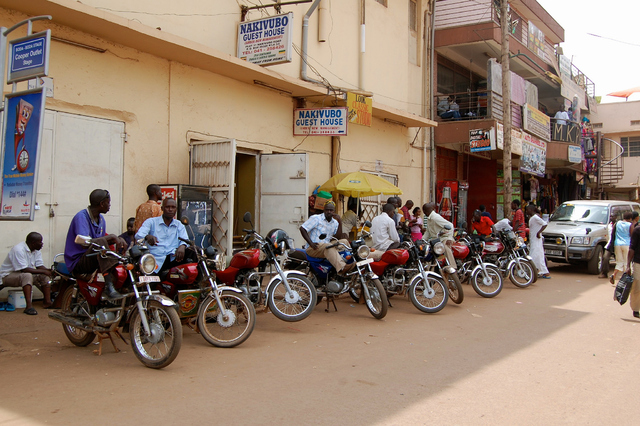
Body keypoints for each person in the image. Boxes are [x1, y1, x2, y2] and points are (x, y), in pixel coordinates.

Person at [64, 189, 128, 300]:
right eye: (108, 202)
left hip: (92, 257)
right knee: (101, 243)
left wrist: (117, 239)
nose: (110, 205)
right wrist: (110, 237)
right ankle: (109, 286)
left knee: (113, 244)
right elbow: (85, 243)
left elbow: (101, 240)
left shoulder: (101, 219)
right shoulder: (81, 217)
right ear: (102, 203)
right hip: (78, 261)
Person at [0, 232, 52, 315]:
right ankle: (28, 307)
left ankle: (47, 302)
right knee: (27, 275)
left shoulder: (36, 250)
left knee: (44, 276)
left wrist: (49, 271)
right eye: (40, 242)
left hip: (23, 274)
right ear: (33, 243)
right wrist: (44, 271)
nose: (42, 244)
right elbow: (24, 269)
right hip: (7, 276)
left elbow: (39, 266)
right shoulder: (18, 249)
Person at [300, 201, 355, 275]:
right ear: (324, 210)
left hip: (325, 246)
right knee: (328, 246)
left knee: (344, 241)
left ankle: (353, 262)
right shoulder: (316, 218)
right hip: (313, 248)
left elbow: (338, 237)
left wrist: (339, 221)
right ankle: (342, 267)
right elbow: (302, 228)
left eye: (331, 210)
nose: (329, 212)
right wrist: (311, 243)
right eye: (327, 210)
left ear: (334, 211)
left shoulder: (335, 222)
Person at [135, 198, 189, 272]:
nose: (170, 209)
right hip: (154, 261)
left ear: (176, 209)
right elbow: (138, 235)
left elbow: (185, 240)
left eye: (173, 207)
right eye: (167, 207)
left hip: (172, 259)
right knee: (149, 282)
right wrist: (147, 236)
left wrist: (182, 246)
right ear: (162, 208)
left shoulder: (179, 225)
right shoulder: (151, 222)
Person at [526, 204, 550, 279]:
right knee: (538, 255)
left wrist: (539, 232)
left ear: (531, 210)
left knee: (534, 255)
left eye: (527, 210)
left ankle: (538, 271)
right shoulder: (532, 218)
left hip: (536, 239)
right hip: (533, 239)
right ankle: (541, 271)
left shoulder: (535, 217)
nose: (526, 211)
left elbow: (545, 224)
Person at [610, 212, 633, 285]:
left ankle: (614, 275)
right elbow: (632, 235)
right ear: (630, 218)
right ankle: (625, 279)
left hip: (617, 244)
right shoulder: (630, 225)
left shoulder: (617, 223)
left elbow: (613, 233)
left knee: (619, 261)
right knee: (626, 262)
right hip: (627, 244)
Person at [624, 223, 640, 319]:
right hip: (638, 262)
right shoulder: (637, 230)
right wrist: (628, 265)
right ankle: (636, 308)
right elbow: (632, 248)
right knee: (637, 286)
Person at [599, 213, 617, 279]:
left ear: (616, 217)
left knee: (620, 260)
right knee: (605, 257)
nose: (611, 217)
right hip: (610, 244)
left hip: (617, 244)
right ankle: (604, 273)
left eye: (613, 216)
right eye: (610, 216)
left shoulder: (618, 225)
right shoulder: (609, 225)